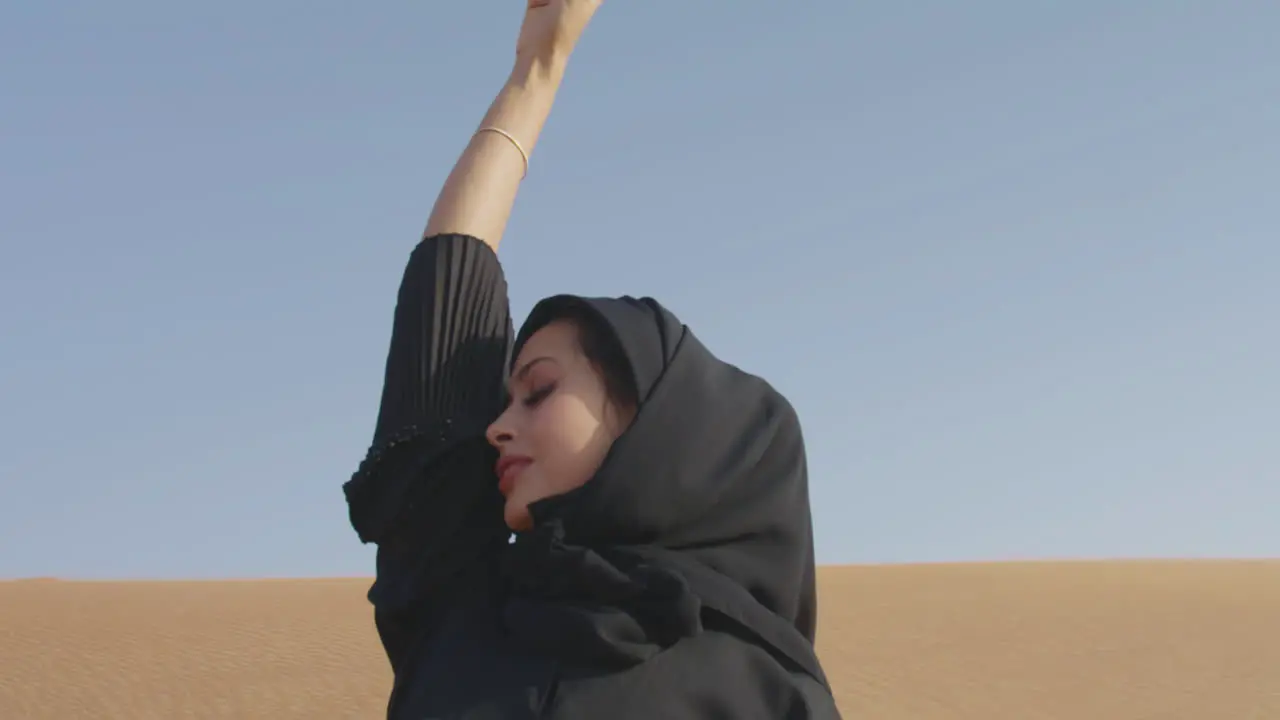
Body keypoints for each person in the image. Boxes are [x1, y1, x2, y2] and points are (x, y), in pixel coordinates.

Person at [342, 1, 842, 717]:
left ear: (648, 422)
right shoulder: (463, 611)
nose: (496, 425)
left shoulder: (770, 694)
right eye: (508, 399)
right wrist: (534, 75)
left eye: (537, 391)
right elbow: (443, 317)